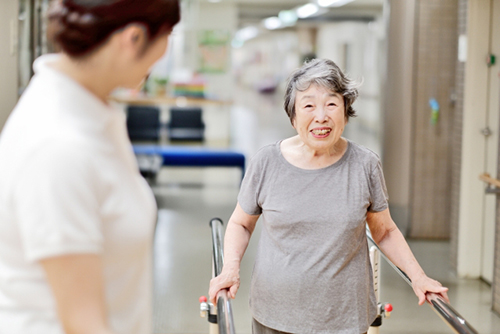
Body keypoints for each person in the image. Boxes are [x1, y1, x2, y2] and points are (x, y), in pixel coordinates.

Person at [209, 58, 449, 334]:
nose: (321, 116)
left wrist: (418, 277)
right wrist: (230, 269)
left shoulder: (365, 165)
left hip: (344, 319)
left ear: (346, 113)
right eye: (309, 105)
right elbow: (241, 223)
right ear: (293, 117)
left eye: (332, 104)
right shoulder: (267, 162)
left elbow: (384, 232)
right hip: (274, 315)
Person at [0, 1, 179, 333]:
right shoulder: (58, 147)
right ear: (133, 38)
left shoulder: (90, 110)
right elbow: (82, 323)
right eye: (167, 34)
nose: (166, 50)